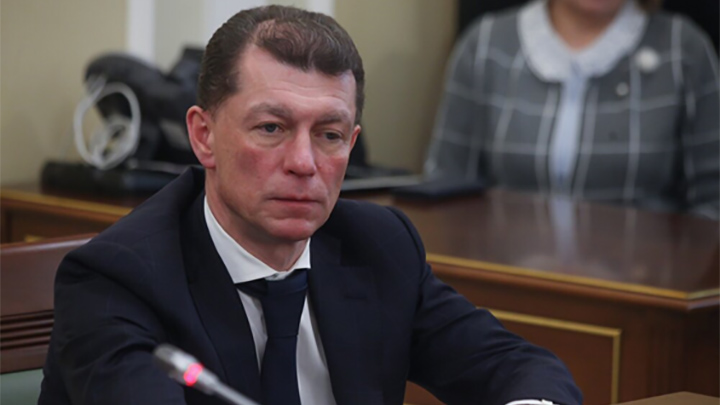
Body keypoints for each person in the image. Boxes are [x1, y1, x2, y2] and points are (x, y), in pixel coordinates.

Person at [38, 6, 582, 405]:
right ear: (203, 136)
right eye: (271, 128)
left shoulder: (379, 246)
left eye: (329, 135)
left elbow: (522, 369)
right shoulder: (117, 278)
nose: (304, 162)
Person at [424, 0, 719, 219]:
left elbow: (713, 202)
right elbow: (445, 187)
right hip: (504, 273)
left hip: (646, 277)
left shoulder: (685, 50)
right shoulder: (484, 46)